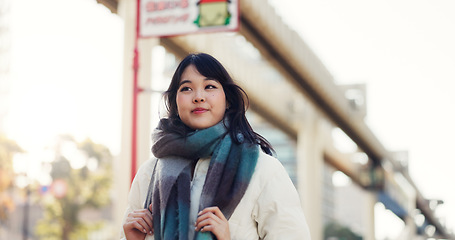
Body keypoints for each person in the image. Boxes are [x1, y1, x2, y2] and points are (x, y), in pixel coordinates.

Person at [121, 53, 311, 240]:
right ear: (175, 102)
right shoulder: (150, 172)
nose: (198, 97)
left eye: (209, 86)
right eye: (186, 89)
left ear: (227, 100)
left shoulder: (262, 169)